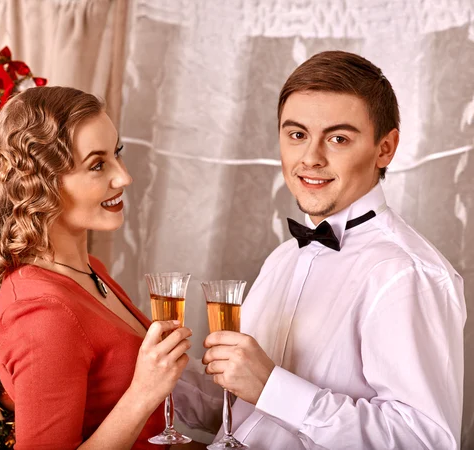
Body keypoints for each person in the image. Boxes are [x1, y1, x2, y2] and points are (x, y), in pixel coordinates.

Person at [174, 51, 466, 449]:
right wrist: (160, 376)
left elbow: (422, 440)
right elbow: (247, 419)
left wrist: (273, 387)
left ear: (385, 148)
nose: (310, 158)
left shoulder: (406, 274)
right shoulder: (283, 258)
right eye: (296, 135)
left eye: (338, 138)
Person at [0, 86, 192, 449]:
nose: (123, 178)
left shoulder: (88, 270)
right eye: (97, 165)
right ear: (42, 185)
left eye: (116, 154)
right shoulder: (42, 313)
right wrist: (144, 392)